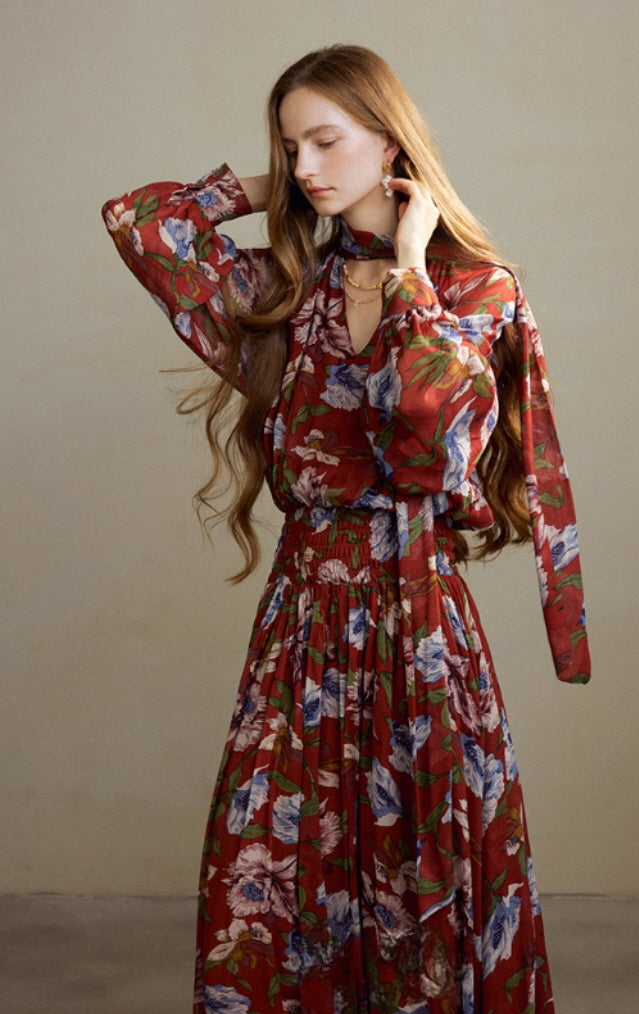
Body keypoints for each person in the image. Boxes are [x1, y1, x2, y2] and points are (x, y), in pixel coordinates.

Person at [102, 43, 588, 1014]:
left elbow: (427, 441)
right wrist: (268, 186)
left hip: (419, 626)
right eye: (290, 147)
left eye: (326, 140)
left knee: (424, 872)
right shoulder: (286, 297)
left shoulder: (476, 289)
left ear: (388, 140)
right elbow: (139, 224)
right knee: (270, 867)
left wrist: (407, 270)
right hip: (303, 627)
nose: (308, 166)